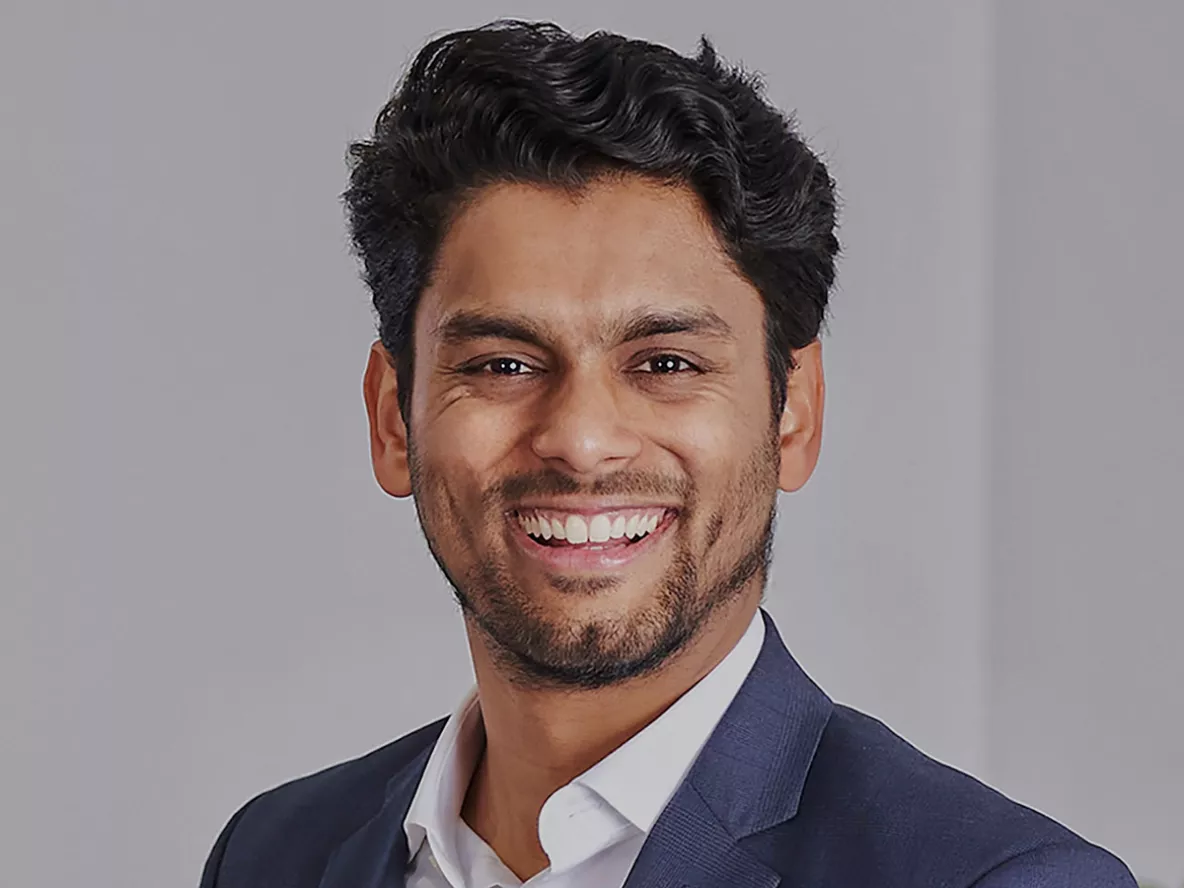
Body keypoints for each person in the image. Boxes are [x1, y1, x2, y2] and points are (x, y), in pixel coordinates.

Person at [199, 19, 1136, 888]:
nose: (582, 438)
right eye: (504, 362)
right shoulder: (274, 852)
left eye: (667, 362)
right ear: (393, 420)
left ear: (792, 414)